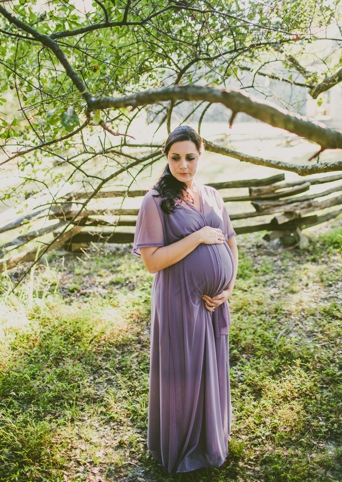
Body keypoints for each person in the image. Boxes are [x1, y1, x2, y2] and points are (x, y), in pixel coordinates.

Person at [133, 125, 238, 473]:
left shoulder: (211, 194)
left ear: (201, 153)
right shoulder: (156, 202)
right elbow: (152, 262)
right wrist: (198, 238)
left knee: (211, 370)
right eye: (175, 158)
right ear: (166, 157)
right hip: (178, 301)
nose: (183, 166)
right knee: (184, 373)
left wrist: (228, 287)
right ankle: (181, 445)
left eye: (190, 157)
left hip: (212, 304)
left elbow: (230, 241)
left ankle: (210, 440)